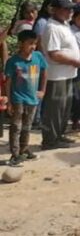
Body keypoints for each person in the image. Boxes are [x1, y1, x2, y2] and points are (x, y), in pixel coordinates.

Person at [40, 0, 80, 150]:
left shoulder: (64, 25)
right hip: (56, 74)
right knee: (54, 109)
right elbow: (54, 54)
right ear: (55, 10)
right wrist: (75, 62)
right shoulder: (52, 27)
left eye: (70, 9)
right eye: (66, 9)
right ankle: (50, 140)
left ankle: (59, 134)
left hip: (68, 73)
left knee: (65, 107)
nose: (69, 12)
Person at [4, 30, 48, 165]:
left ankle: (24, 149)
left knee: (27, 125)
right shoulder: (13, 61)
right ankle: (15, 154)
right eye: (30, 44)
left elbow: (44, 72)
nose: (33, 47)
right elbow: (8, 81)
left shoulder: (38, 57)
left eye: (34, 44)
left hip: (32, 98)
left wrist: (42, 90)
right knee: (16, 126)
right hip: (18, 98)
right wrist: (9, 101)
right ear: (21, 44)